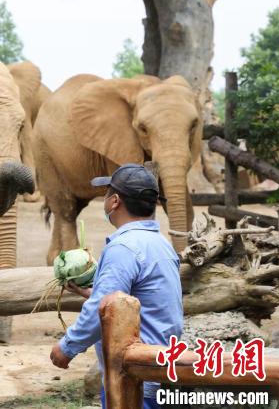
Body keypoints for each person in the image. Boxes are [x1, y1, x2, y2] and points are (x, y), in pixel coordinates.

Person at [49, 164, 183, 409]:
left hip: (135, 380)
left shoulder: (123, 248)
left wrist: (67, 347)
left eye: (107, 192)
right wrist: (94, 295)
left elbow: (95, 317)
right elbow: (144, 301)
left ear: (115, 201)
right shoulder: (161, 244)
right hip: (162, 371)